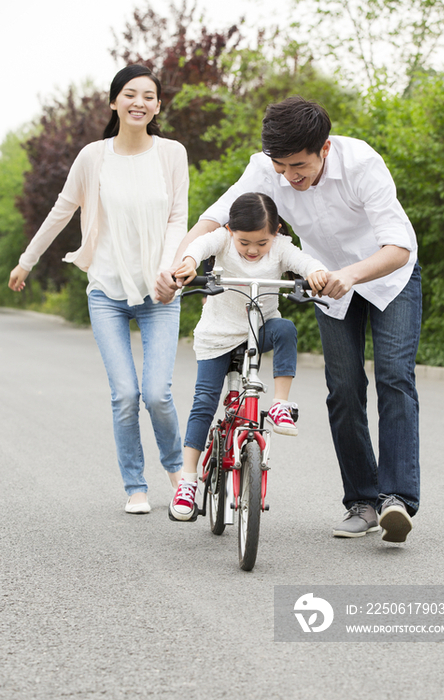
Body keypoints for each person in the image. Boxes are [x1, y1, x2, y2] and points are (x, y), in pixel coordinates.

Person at [157, 96, 421, 543]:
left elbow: (399, 247)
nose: (289, 176)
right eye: (280, 166)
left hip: (385, 277)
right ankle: (362, 502)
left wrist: (349, 275)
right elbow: (213, 221)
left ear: (325, 148)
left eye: (298, 165)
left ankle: (397, 498)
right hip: (326, 284)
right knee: (343, 389)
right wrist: (176, 262)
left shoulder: (361, 164)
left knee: (394, 378)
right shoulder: (265, 168)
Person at [9, 64, 189, 514]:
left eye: (148, 96)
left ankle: (177, 472)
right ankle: (135, 487)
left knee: (157, 394)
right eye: (130, 94)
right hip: (107, 291)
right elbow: (60, 212)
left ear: (158, 105)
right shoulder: (93, 157)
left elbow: (178, 219)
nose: (139, 103)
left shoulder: (172, 154)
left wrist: (169, 269)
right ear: (114, 102)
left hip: (159, 292)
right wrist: (26, 261)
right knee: (125, 394)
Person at [168, 192, 327, 521]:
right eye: (244, 243)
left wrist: (316, 273)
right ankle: (187, 480)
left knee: (285, 327)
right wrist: (188, 262)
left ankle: (281, 404)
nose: (253, 250)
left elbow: (305, 261)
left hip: (260, 330)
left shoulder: (281, 247)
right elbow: (199, 246)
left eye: (262, 243)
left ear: (277, 232)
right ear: (230, 231)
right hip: (219, 335)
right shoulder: (222, 241)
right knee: (205, 401)